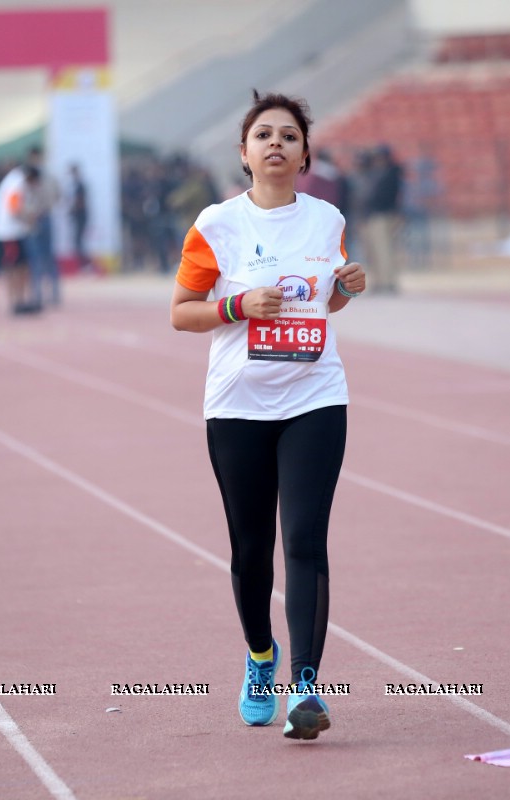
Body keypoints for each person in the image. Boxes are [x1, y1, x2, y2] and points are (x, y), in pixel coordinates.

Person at [170, 90, 366, 741]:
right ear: (245, 152)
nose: (277, 144)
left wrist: (341, 289)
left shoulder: (326, 220)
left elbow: (322, 308)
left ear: (306, 152)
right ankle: (261, 660)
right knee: (250, 550)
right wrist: (236, 307)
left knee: (305, 542)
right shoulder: (217, 225)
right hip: (238, 405)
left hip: (315, 398)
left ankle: (306, 686)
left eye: (289, 135)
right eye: (264, 135)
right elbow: (182, 312)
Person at [0, 162, 34, 313]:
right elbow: (14, 208)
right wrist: (28, 218)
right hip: (10, 232)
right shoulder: (18, 183)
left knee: (21, 266)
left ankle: (19, 300)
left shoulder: (13, 180)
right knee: (14, 267)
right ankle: (15, 301)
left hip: (14, 231)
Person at [361, 144, 404, 293]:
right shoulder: (379, 173)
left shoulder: (390, 173)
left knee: (384, 251)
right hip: (377, 215)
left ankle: (387, 282)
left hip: (383, 215)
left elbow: (381, 196)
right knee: (376, 251)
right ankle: (380, 281)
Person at [23, 147, 61, 307]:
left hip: (41, 219)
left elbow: (57, 195)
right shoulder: (27, 176)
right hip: (36, 220)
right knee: (38, 259)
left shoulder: (46, 177)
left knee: (43, 258)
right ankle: (42, 293)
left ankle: (49, 293)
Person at [68, 163, 90, 271]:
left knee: (79, 241)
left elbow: (81, 201)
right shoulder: (75, 185)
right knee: (78, 241)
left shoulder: (80, 185)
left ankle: (84, 265)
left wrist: (73, 209)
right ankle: (83, 265)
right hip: (78, 216)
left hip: (80, 216)